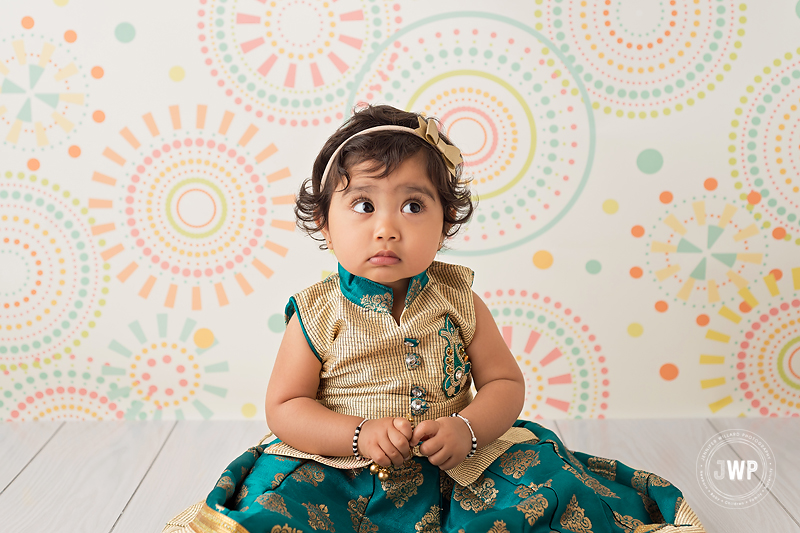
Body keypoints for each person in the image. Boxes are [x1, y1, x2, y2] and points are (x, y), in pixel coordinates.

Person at [163, 105, 705, 533]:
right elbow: (285, 406)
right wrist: (357, 435)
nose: (388, 228)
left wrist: (468, 428)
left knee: (547, 490)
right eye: (363, 206)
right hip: (342, 470)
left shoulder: (458, 297)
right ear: (324, 226)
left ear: (446, 224)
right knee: (282, 507)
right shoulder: (317, 310)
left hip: (458, 463)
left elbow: (504, 382)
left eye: (414, 206)